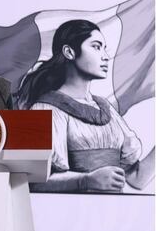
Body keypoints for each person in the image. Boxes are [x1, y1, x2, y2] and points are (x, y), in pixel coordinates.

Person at [15, 19, 154, 192]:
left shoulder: (106, 109)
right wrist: (85, 180)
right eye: (96, 47)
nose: (105, 56)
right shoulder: (45, 109)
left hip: (114, 213)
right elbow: (31, 182)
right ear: (69, 52)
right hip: (70, 213)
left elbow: (136, 179)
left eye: (104, 48)